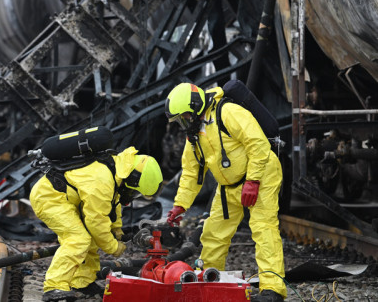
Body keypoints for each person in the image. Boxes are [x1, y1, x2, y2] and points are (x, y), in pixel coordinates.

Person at [164, 82, 286, 302]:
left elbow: (258, 145)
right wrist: (180, 205)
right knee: (213, 234)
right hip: (229, 185)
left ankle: (273, 290)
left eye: (183, 118)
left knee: (263, 229)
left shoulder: (227, 112)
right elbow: (191, 172)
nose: (183, 124)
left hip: (262, 173)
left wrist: (253, 180)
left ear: (194, 110)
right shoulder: (194, 135)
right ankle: (208, 281)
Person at [29, 145, 164, 302]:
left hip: (64, 198)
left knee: (90, 240)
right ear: (133, 178)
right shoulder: (103, 179)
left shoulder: (115, 170)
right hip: (49, 198)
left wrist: (117, 232)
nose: (133, 195)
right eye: (136, 191)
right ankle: (54, 287)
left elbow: (113, 207)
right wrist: (114, 247)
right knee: (78, 239)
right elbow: (97, 222)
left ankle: (81, 283)